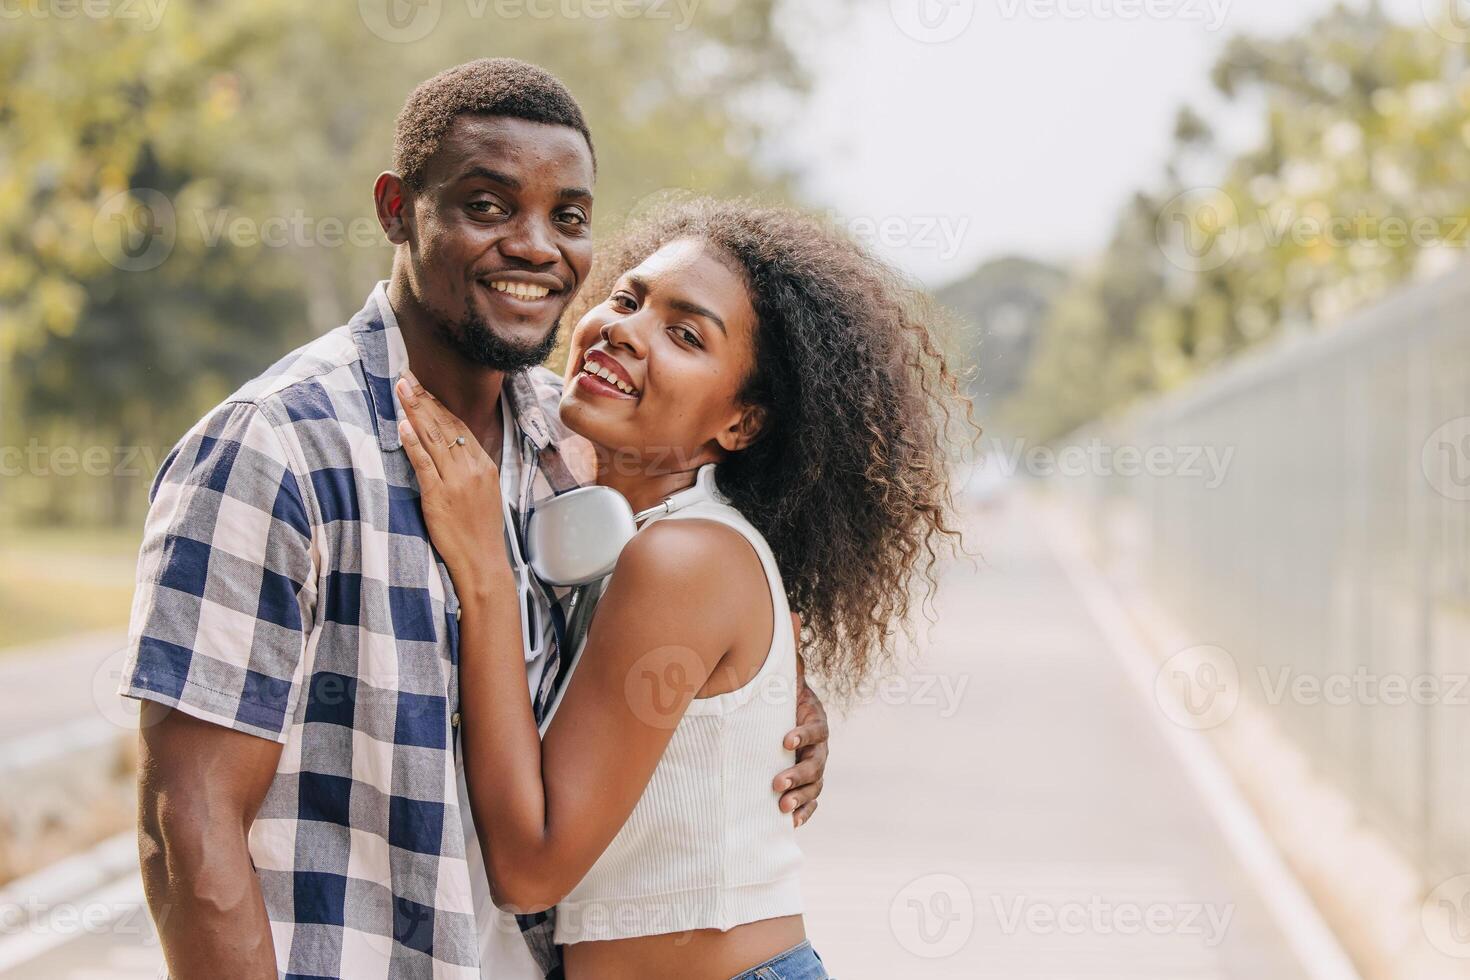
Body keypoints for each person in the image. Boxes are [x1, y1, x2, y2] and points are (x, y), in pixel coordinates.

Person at [117, 60, 829, 980]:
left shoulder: (567, 445)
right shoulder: (277, 449)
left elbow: (669, 652)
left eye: (567, 218)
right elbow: (188, 820)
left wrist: (778, 708)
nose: (537, 247)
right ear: (396, 210)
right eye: (487, 206)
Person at [396, 198, 967, 979]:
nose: (626, 328)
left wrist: (485, 576)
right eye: (627, 299)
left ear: (741, 424)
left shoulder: (683, 558)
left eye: (686, 334)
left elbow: (531, 869)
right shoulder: (619, 521)